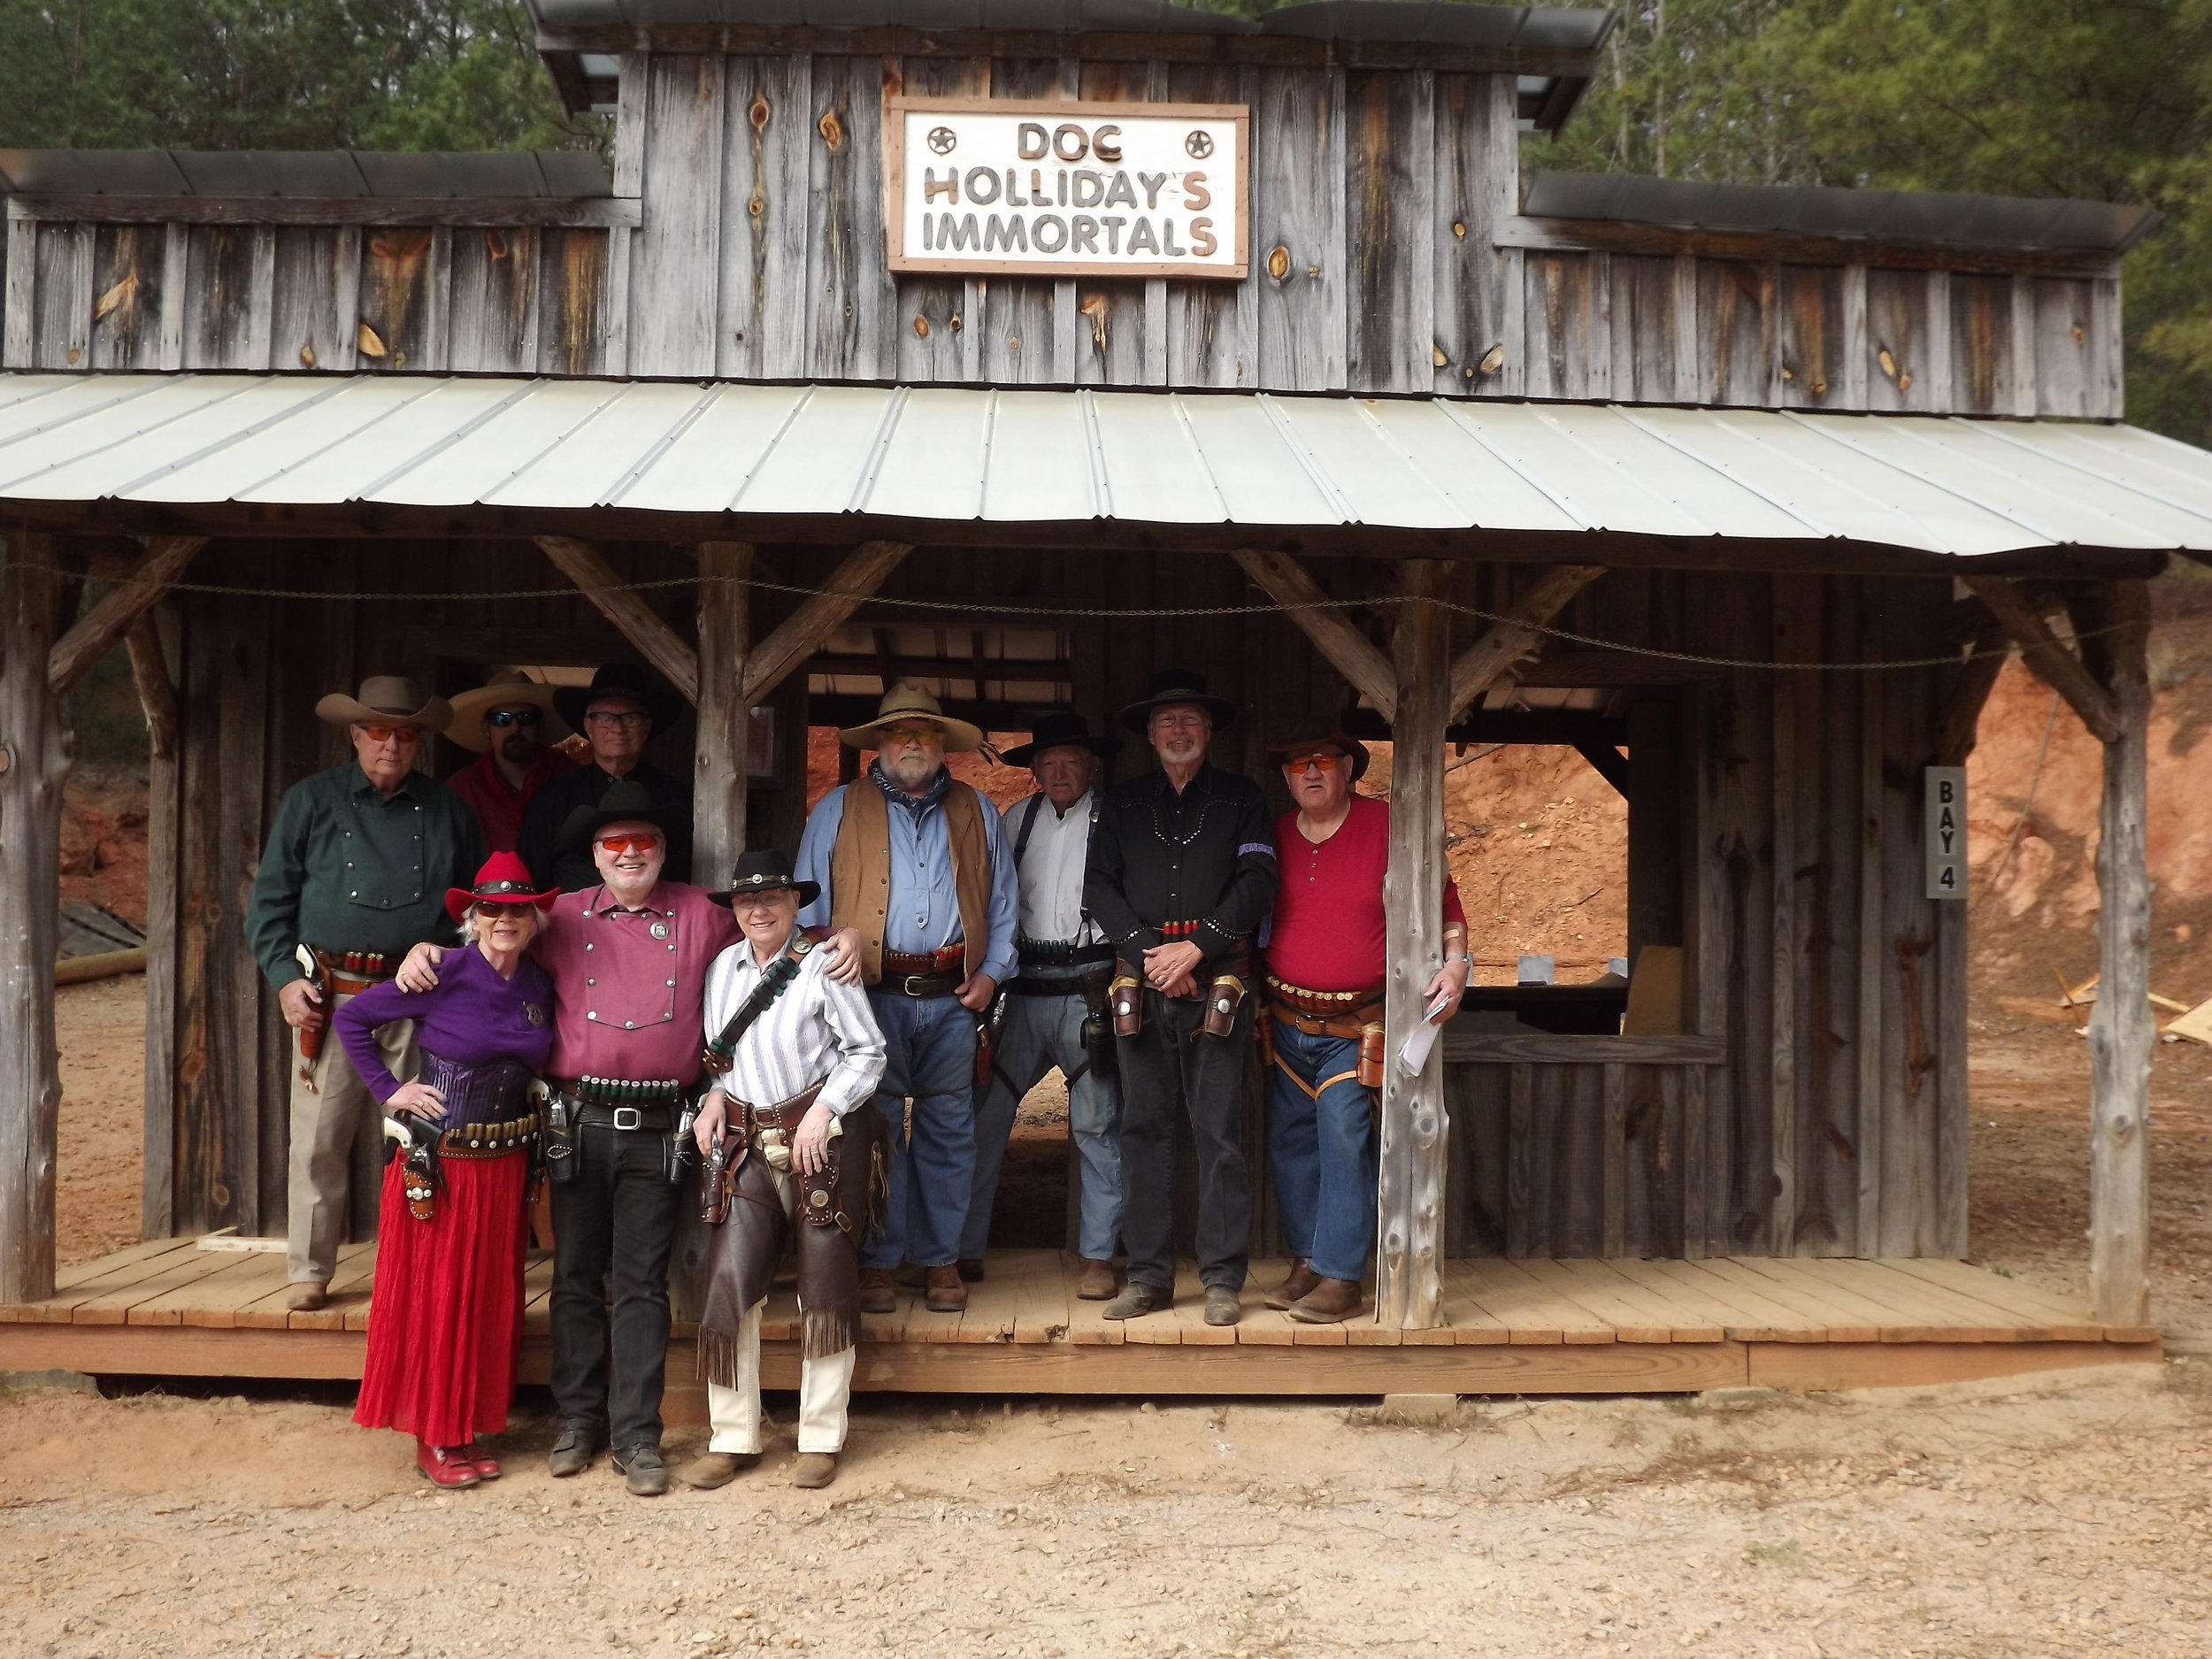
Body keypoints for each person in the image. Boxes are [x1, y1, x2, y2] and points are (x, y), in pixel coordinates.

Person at [396, 780, 733, 1498]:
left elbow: (780, 933)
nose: (630, 852)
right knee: (575, 1279)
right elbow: (492, 934)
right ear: (594, 855)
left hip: (658, 1124)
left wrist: (845, 937)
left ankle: (638, 1435)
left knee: (642, 1285)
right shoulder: (560, 914)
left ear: (664, 850)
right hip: (575, 1122)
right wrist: (426, 947)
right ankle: (577, 1422)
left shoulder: (704, 912)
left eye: (644, 840)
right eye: (615, 843)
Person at [246, 676, 486, 1314]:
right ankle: (309, 1269)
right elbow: (269, 904)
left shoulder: (449, 810)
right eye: (378, 730)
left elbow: (478, 914)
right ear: (355, 734)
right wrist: (284, 978)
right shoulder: (310, 802)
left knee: (418, 1136)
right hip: (334, 997)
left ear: (420, 740)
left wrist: (443, 950)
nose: (391, 743)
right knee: (319, 1140)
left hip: (420, 1000)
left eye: (405, 732)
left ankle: (413, 1264)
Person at [335, 852, 559, 1488]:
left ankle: (465, 1428)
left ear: (534, 917)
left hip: (505, 1164)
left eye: (517, 908)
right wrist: (388, 1089)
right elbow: (353, 1018)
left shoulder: (539, 983)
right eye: (491, 908)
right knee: (439, 1297)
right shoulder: (443, 970)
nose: (504, 919)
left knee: (487, 1298)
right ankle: (433, 1436)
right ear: (472, 916)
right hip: (440, 1163)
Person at [795, 683, 1018, 1318]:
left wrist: (994, 973)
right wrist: (825, 986)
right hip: (870, 1001)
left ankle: (941, 1258)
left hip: (954, 998)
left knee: (952, 1131)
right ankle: (879, 1262)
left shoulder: (978, 810)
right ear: (881, 742)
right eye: (900, 732)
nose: (913, 742)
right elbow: (808, 911)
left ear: (943, 743)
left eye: (924, 732)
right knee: (877, 1133)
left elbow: (1003, 904)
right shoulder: (836, 809)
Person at [679, 852, 888, 1494]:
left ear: (796, 903)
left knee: (824, 1287)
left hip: (820, 1139)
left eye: (771, 897)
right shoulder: (721, 968)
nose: (759, 908)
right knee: (728, 1284)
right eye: (746, 900)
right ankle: (732, 1437)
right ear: (734, 910)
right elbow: (720, 1057)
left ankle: (821, 1437)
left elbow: (867, 1050)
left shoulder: (826, 963)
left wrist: (823, 1112)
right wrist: (714, 1095)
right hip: (745, 1138)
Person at [1085, 668, 1277, 1327]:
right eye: (1166, 720)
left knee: (1220, 1134)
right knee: (1142, 1130)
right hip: (1141, 985)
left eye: (1189, 719)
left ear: (1209, 730)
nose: (1178, 730)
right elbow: (1099, 889)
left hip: (1218, 984)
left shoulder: (1243, 799)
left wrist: (1196, 949)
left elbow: (1257, 881)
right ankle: (1148, 1278)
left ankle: (1223, 1279)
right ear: (1148, 732)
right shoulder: (1123, 803)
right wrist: (1152, 955)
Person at [1262, 722, 1471, 1323]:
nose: (1310, 772)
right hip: (1285, 1020)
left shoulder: (1387, 828)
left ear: (1348, 769)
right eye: (1298, 762)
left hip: (1357, 1027)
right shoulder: (1274, 836)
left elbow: (1446, 904)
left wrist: (1456, 966)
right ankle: (1306, 1260)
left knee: (1344, 1139)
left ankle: (1340, 1276)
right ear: (1285, 775)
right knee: (1291, 1145)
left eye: (1323, 760)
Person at [960, 710, 1124, 1300]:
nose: (1059, 772)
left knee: (1097, 1124)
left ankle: (1098, 1257)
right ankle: (962, 1247)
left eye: (1070, 762)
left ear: (1091, 767)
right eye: (1049, 763)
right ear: (1034, 770)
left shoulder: (1115, 820)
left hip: (1088, 991)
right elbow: (990, 899)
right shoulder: (1013, 819)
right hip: (1022, 989)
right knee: (984, 1116)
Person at [518, 663, 694, 892]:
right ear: (588, 726)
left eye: (630, 717)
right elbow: (531, 886)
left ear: (647, 726)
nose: (618, 728)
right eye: (604, 717)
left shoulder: (677, 799)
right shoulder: (551, 802)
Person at [442, 669, 577, 853]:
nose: (515, 728)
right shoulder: (462, 789)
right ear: (487, 728)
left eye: (525, 718)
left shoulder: (571, 779)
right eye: (502, 719)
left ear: (540, 725)